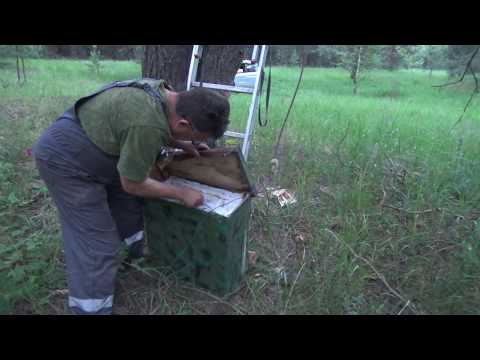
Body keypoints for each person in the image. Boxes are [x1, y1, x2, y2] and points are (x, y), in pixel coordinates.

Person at [32, 78, 230, 315]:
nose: (196, 143)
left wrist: (181, 143)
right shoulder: (146, 124)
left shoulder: (165, 95)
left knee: (128, 205)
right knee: (97, 244)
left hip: (102, 147)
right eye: (197, 138)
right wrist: (180, 193)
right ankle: (91, 308)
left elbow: (144, 127)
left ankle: (137, 250)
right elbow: (133, 183)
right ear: (184, 122)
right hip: (64, 160)